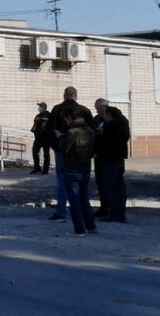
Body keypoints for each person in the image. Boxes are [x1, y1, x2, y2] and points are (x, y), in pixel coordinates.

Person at [45, 86, 91, 221]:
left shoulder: (57, 110)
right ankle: (83, 212)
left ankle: (61, 212)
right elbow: (91, 131)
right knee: (83, 183)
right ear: (76, 96)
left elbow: (50, 130)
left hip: (63, 152)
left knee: (62, 181)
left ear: (64, 95)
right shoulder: (85, 111)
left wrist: (56, 146)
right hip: (83, 154)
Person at [59, 115, 98, 236]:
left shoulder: (71, 132)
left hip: (72, 168)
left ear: (70, 119)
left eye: (66, 119)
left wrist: (60, 137)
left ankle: (79, 229)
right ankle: (91, 226)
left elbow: (64, 149)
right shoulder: (90, 131)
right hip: (85, 168)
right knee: (84, 198)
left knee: (74, 200)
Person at [96, 104, 130, 223]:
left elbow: (105, 143)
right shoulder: (123, 124)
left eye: (105, 114)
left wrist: (100, 133)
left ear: (109, 115)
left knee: (112, 188)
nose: (103, 116)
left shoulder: (110, 127)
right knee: (119, 187)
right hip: (119, 159)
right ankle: (120, 212)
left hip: (109, 159)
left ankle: (115, 213)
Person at [92, 98, 110, 218]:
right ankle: (103, 207)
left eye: (100, 108)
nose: (98, 111)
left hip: (109, 155)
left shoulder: (112, 118)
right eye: (96, 109)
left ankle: (113, 208)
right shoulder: (96, 119)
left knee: (110, 183)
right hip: (98, 155)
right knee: (100, 183)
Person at [30, 102, 51, 174]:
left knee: (46, 154)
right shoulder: (38, 116)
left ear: (44, 107)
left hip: (46, 137)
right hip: (38, 138)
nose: (39, 108)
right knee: (35, 152)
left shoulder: (48, 115)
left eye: (40, 106)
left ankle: (45, 170)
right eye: (39, 107)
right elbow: (35, 125)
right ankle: (37, 168)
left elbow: (47, 126)